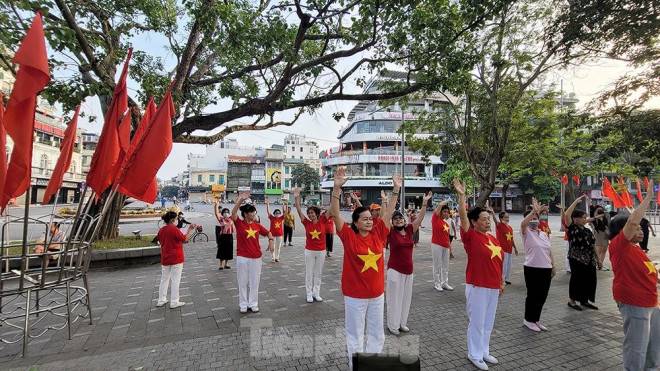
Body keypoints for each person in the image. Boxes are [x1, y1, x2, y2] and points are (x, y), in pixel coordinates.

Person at [329, 167, 399, 367]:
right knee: (355, 335)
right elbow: (334, 214)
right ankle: (356, 366)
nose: (369, 221)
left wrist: (396, 190)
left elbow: (389, 214)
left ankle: (372, 366)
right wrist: (336, 189)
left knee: (377, 334)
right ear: (356, 222)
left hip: (377, 295)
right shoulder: (348, 236)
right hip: (354, 296)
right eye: (365, 219)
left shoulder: (379, 233)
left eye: (370, 218)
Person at [607, 182, 658, 371]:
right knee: (636, 348)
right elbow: (633, 221)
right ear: (623, 231)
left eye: (641, 229)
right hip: (635, 303)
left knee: (654, 345)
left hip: (652, 302)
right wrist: (648, 198)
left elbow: (647, 271)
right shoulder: (619, 246)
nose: (641, 231)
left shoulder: (637, 249)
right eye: (637, 229)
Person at [453, 178, 503, 371]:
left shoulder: (492, 238)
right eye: (483, 219)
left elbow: (498, 263)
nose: (487, 221)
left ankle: (484, 351)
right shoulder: (471, 237)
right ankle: (474, 354)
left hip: (492, 286)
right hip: (477, 285)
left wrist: (501, 282)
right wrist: (461, 195)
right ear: (475, 222)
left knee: (489, 321)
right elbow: (464, 218)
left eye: (488, 219)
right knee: (477, 321)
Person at [386, 192, 432, 335]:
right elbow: (385, 218)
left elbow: (420, 218)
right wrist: (387, 203)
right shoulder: (390, 232)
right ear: (392, 222)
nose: (398, 220)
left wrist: (424, 203)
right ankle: (392, 325)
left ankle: (402, 323)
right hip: (394, 270)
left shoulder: (410, 230)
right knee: (394, 299)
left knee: (406, 299)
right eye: (395, 219)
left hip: (409, 271)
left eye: (400, 218)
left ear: (404, 220)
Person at [231, 192, 274, 313]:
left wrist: (271, 241)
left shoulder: (257, 225)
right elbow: (233, 213)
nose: (254, 214)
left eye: (254, 212)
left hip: (256, 257)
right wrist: (240, 200)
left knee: (255, 282)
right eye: (252, 212)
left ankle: (253, 303)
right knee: (242, 282)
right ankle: (243, 304)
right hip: (242, 257)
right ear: (245, 214)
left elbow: (268, 233)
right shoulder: (239, 223)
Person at [520, 199, 555, 332]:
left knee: (542, 295)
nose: (534, 220)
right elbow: (524, 224)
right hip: (532, 268)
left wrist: (553, 266)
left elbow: (549, 251)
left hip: (546, 268)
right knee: (533, 295)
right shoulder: (526, 232)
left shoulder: (544, 234)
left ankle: (536, 319)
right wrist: (534, 211)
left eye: (536, 218)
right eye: (532, 218)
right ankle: (528, 320)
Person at [564, 195, 599, 311]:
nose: (585, 219)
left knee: (589, 279)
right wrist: (575, 202)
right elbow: (566, 215)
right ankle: (572, 301)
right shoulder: (572, 228)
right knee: (577, 279)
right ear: (575, 219)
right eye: (583, 218)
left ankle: (584, 300)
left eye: (586, 217)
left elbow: (593, 245)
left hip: (589, 259)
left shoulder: (588, 230)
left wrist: (598, 260)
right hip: (576, 258)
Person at [293, 188, 327, 303]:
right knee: (309, 273)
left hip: (321, 251)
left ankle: (316, 293)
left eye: (312, 213)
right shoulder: (306, 222)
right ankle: (309, 293)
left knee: (318, 273)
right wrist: (297, 196)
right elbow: (298, 209)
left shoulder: (323, 220)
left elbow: (332, 209)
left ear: (317, 214)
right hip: (309, 251)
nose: (310, 215)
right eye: (309, 213)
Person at [156, 211, 196, 309]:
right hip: (176, 258)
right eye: (177, 219)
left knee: (164, 279)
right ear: (173, 220)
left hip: (165, 258)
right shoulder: (174, 229)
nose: (178, 221)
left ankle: (161, 300)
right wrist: (190, 229)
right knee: (175, 280)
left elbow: (160, 242)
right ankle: (174, 301)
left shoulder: (161, 230)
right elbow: (185, 239)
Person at [431, 200, 453, 291]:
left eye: (447, 212)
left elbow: (447, 237)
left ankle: (445, 283)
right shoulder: (435, 219)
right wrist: (447, 200)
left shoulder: (445, 223)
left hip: (446, 246)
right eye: (444, 211)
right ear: (440, 212)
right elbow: (440, 205)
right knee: (437, 265)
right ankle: (437, 283)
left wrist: (450, 247)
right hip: (436, 245)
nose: (446, 213)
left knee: (445, 266)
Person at [493, 210, 518, 285]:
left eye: (508, 217)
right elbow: (495, 221)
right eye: (505, 217)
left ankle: (506, 279)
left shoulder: (510, 227)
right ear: (501, 218)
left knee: (508, 265)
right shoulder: (499, 226)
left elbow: (511, 239)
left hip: (509, 249)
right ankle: (501, 280)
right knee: (503, 265)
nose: (507, 218)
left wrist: (515, 248)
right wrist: (493, 213)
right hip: (502, 249)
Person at [213, 203, 234, 270]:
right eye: (224, 212)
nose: (226, 213)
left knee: (229, 250)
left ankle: (226, 264)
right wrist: (216, 205)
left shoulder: (231, 218)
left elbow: (235, 212)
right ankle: (221, 265)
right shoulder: (221, 219)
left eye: (227, 212)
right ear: (222, 213)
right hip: (223, 236)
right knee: (222, 250)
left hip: (230, 236)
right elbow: (216, 213)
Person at [590, 206, 610, 270]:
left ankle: (600, 264)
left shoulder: (606, 216)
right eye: (597, 211)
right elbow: (592, 226)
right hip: (598, 234)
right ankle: (597, 264)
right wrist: (597, 218)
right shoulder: (594, 218)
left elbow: (608, 224)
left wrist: (603, 218)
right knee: (598, 250)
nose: (599, 212)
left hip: (605, 234)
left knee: (604, 249)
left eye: (601, 210)